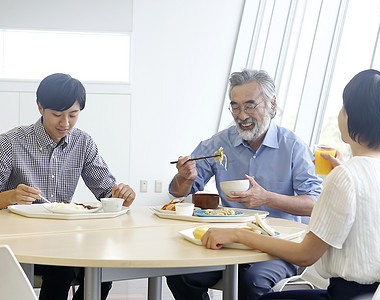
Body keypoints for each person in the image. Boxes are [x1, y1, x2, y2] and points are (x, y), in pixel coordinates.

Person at [201, 69, 380, 300]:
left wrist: (237, 234)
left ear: (354, 115)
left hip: (348, 295)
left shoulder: (346, 175)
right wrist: (346, 174)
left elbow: (305, 256)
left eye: (344, 108)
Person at [167, 69, 322, 300]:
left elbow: (314, 203)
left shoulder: (293, 147)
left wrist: (267, 198)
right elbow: (178, 191)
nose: (241, 115)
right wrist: (185, 177)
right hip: (227, 243)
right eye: (235, 107)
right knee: (181, 276)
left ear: (272, 105)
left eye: (250, 106)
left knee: (250, 283)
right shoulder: (218, 144)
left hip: (277, 247)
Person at [0, 73, 136, 300]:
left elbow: (106, 192)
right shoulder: (10, 143)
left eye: (73, 115)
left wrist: (121, 196)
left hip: (65, 239)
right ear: (40, 107)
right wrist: (10, 196)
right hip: (20, 243)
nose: (65, 123)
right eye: (57, 115)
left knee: (103, 267)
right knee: (61, 267)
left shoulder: (83, 143)